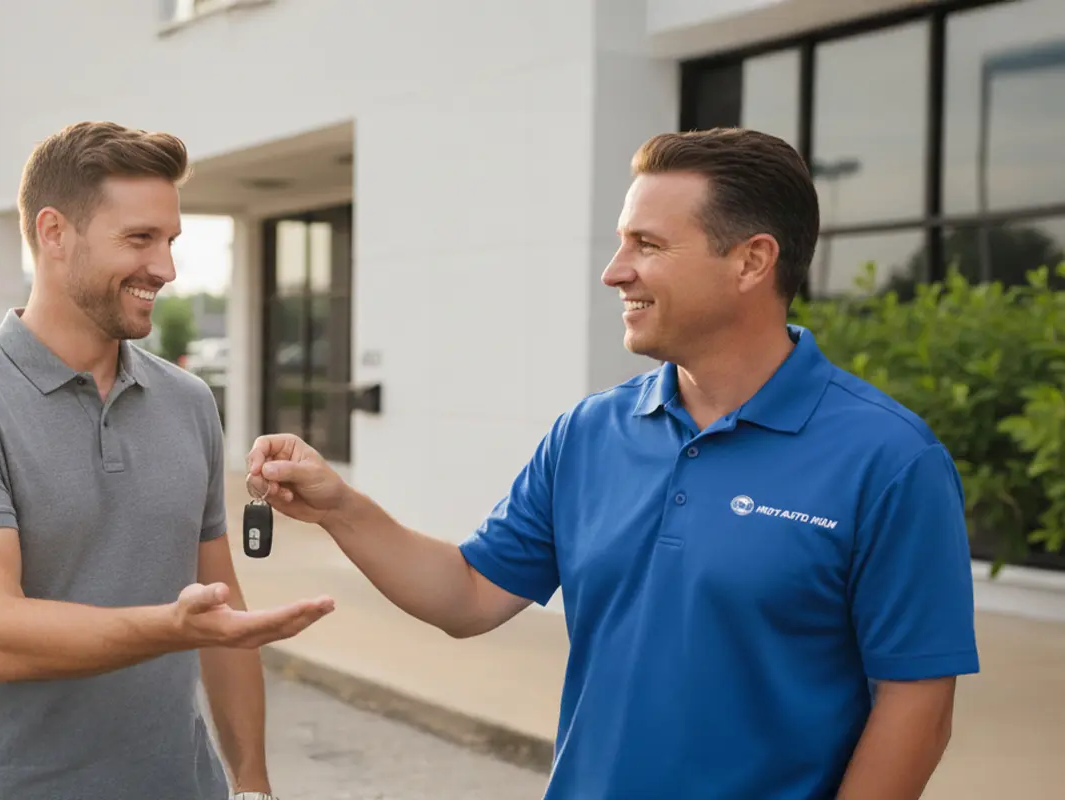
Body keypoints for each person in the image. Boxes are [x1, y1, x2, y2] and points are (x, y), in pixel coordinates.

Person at [246, 128, 980, 799]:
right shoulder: (590, 433)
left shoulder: (888, 459)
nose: (614, 271)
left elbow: (917, 706)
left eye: (647, 245)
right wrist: (341, 506)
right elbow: (468, 595)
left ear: (752, 260)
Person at [0, 120, 334, 800]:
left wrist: (251, 783)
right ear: (53, 233)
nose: (164, 267)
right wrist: (170, 627)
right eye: (140, 239)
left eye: (169, 240)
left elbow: (223, 617)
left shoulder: (188, 402)